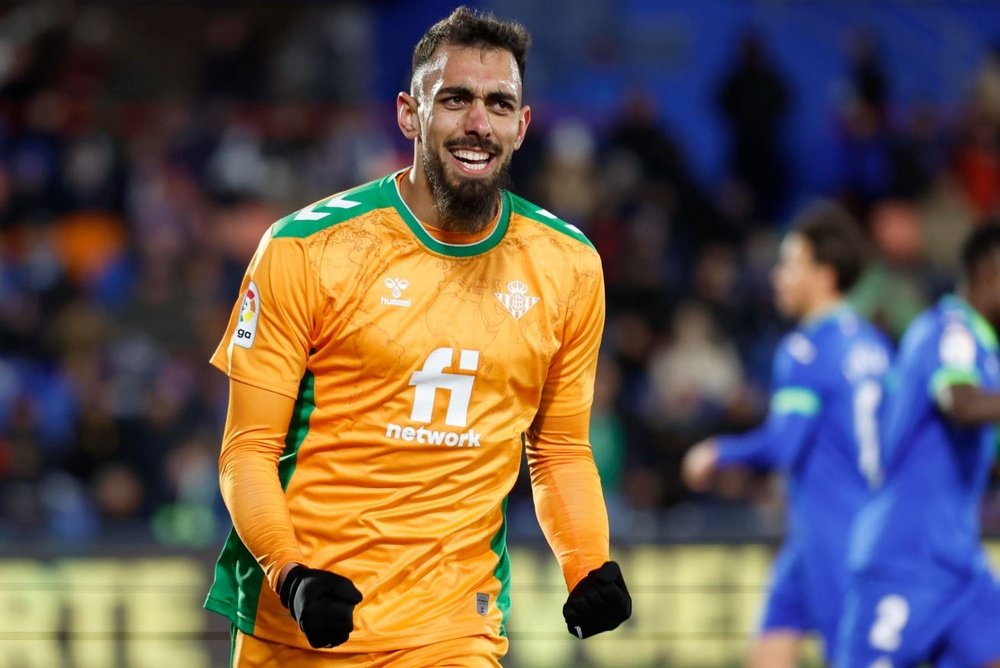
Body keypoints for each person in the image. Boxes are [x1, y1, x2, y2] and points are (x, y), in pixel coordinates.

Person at [204, 6, 631, 667]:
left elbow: (558, 451)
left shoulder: (570, 265)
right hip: (305, 622)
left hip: (456, 629)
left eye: (498, 104)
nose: (477, 123)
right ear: (410, 114)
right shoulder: (306, 249)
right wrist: (291, 575)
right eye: (455, 99)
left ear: (521, 127)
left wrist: (587, 564)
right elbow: (248, 452)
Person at [682, 202, 892, 667]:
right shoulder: (875, 346)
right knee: (769, 654)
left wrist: (718, 452)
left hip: (834, 530)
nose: (779, 276)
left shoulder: (806, 349)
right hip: (845, 524)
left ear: (825, 274)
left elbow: (784, 444)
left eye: (791, 264)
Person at [836, 224, 1000, 668]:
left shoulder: (987, 355)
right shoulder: (950, 330)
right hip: (906, 559)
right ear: (991, 272)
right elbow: (959, 404)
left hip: (960, 565)